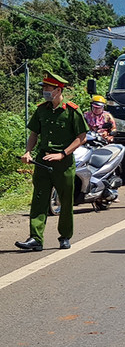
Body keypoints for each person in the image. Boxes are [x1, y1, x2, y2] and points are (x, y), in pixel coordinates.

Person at [15, 72, 88, 252]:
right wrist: (28, 152)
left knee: (65, 201)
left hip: (63, 164)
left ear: (58, 89)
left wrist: (62, 154)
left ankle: (64, 236)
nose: (44, 91)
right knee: (39, 199)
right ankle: (35, 238)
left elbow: (82, 137)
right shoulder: (41, 109)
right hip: (42, 161)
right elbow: (34, 134)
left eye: (47, 88)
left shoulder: (72, 110)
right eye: (44, 88)